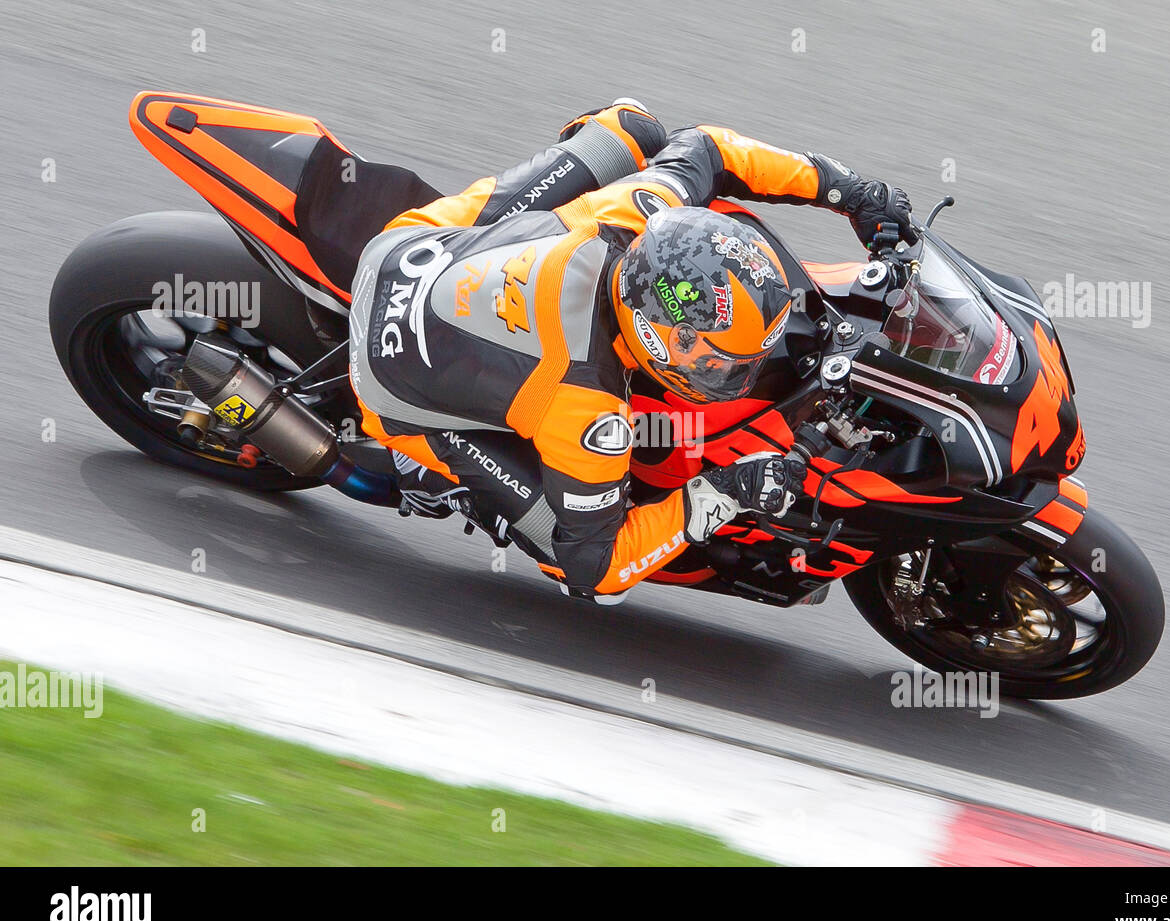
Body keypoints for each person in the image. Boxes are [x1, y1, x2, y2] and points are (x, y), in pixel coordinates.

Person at [348, 101, 915, 603]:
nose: (737, 372)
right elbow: (600, 569)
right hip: (388, 378)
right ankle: (433, 476)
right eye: (721, 360)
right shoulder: (587, 409)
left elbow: (709, 149)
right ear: (651, 335)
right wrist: (725, 490)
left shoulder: (636, 214)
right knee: (564, 540)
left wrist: (852, 193)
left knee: (634, 127)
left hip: (413, 243)